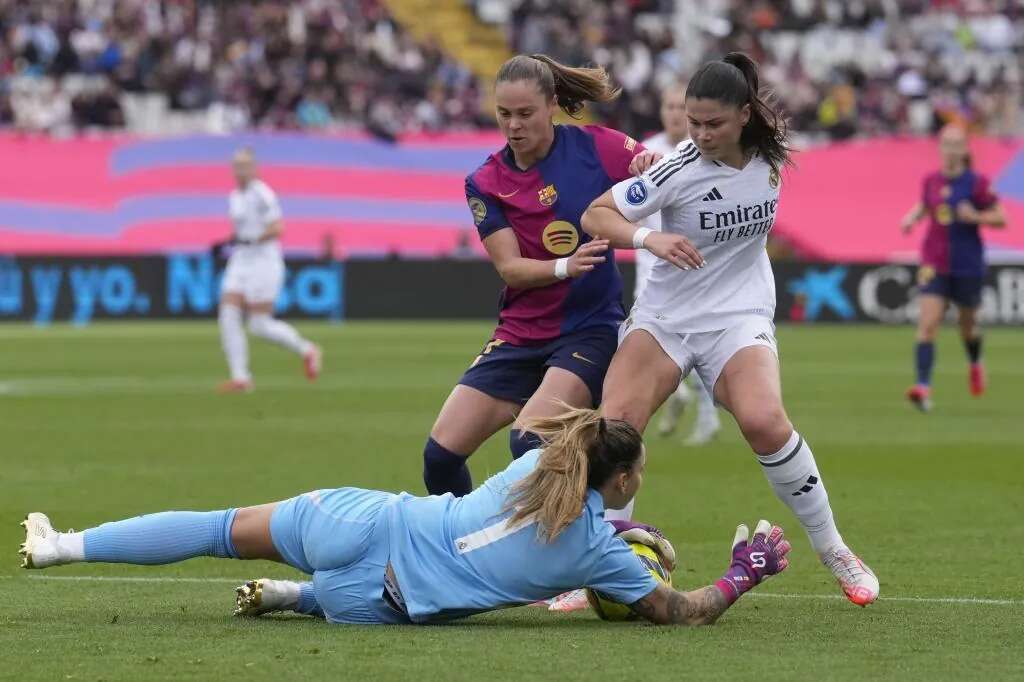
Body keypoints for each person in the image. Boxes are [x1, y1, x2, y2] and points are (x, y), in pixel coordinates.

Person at [20, 407, 792, 626]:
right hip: (379, 599)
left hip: (358, 521)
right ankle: (300, 598)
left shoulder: (537, 463)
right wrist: (742, 575)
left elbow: (562, 490)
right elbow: (678, 610)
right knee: (451, 599)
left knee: (221, 528)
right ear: (620, 480)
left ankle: (61, 547)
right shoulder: (599, 558)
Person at [580, 53, 879, 607]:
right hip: (667, 315)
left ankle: (834, 547)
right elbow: (595, 215)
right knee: (616, 428)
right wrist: (650, 239)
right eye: (692, 122)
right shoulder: (677, 167)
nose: (699, 134)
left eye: (712, 123)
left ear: (745, 115)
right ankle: (594, 564)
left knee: (765, 420)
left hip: (738, 312)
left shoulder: (773, 153)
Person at [421, 54, 657, 511]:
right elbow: (510, 269)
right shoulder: (485, 182)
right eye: (504, 114)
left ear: (552, 105)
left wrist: (652, 164)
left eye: (525, 113)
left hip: (588, 330)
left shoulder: (596, 147)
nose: (513, 125)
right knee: (440, 456)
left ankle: (573, 549)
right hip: (520, 335)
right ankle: (470, 551)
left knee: (528, 442)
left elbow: (665, 172)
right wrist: (566, 266)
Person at [636, 83, 721, 446]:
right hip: (650, 268)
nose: (673, 113)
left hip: (694, 264)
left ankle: (704, 412)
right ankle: (676, 395)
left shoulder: (706, 153)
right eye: (668, 106)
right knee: (641, 341)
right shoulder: (645, 152)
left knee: (699, 341)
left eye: (679, 107)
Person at [900, 124, 1006, 412]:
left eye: (956, 144)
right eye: (946, 144)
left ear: (964, 149)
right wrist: (911, 218)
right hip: (933, 261)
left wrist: (976, 216)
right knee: (928, 323)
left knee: (968, 326)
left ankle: (974, 361)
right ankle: (923, 387)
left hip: (967, 264)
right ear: (940, 147)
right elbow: (925, 206)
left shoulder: (977, 182)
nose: (950, 150)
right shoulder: (931, 180)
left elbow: (1001, 217)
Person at [216, 147, 321, 393]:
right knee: (227, 314)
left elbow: (277, 228)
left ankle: (307, 349)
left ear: (254, 169)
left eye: (245, 166)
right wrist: (227, 242)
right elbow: (242, 231)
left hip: (264, 261)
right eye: (236, 166)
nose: (240, 171)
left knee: (258, 324)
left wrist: (254, 240)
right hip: (241, 260)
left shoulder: (262, 194)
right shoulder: (234, 196)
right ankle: (241, 378)